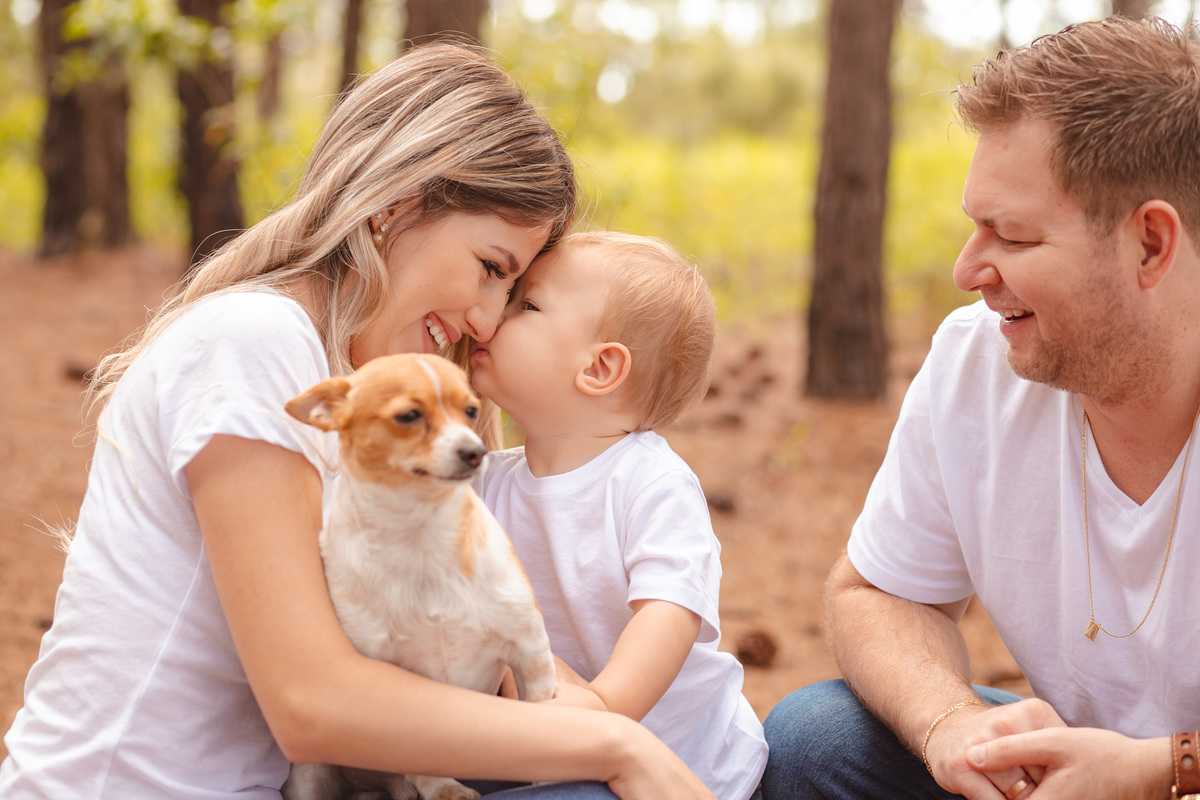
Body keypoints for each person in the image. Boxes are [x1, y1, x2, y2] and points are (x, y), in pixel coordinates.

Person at [0, 44, 717, 800]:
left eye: (512, 292)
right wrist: (617, 747)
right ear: (397, 201)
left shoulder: (380, 409)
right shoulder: (253, 344)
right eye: (490, 268)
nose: (485, 319)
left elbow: (477, 627)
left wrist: (598, 719)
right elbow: (312, 705)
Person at [761, 15, 1200, 800]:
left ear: (1151, 245)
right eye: (975, 226)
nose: (969, 270)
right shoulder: (976, 359)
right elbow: (880, 592)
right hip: (1076, 773)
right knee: (816, 739)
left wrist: (1156, 771)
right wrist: (948, 723)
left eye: (1013, 238)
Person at [469, 230, 768, 800]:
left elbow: (670, 610)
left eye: (525, 304)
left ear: (601, 368)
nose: (492, 316)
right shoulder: (486, 482)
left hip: (683, 767)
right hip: (548, 747)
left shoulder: (649, 482)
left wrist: (607, 706)